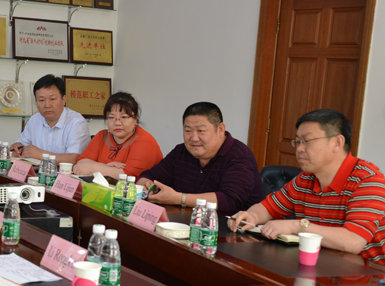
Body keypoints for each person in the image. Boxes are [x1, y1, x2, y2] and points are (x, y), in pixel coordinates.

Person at [230, 109, 385, 264]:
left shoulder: (368, 181)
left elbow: (353, 241)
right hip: (320, 265)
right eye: (298, 142)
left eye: (307, 141)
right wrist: (252, 216)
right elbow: (268, 207)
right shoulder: (305, 179)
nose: (299, 149)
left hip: (368, 273)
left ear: (337, 143)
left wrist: (298, 226)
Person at [137, 102, 263, 213]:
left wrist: (179, 198)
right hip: (186, 223)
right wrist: (145, 186)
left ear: (220, 129)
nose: (194, 138)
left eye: (201, 131)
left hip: (230, 228)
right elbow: (149, 175)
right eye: (188, 131)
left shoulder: (240, 155)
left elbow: (230, 200)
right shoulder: (181, 151)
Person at [73, 91, 163, 178]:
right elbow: (80, 164)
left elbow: (129, 176)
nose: (117, 123)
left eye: (124, 117)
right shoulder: (102, 136)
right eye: (111, 117)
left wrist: (91, 167)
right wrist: (107, 167)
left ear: (135, 118)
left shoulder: (144, 141)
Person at [9, 74, 90, 164]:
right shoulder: (34, 120)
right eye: (41, 100)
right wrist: (17, 148)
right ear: (36, 102)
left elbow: (74, 159)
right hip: (37, 171)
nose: (47, 105)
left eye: (52, 99)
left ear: (63, 100)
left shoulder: (77, 123)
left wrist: (41, 154)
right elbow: (22, 145)